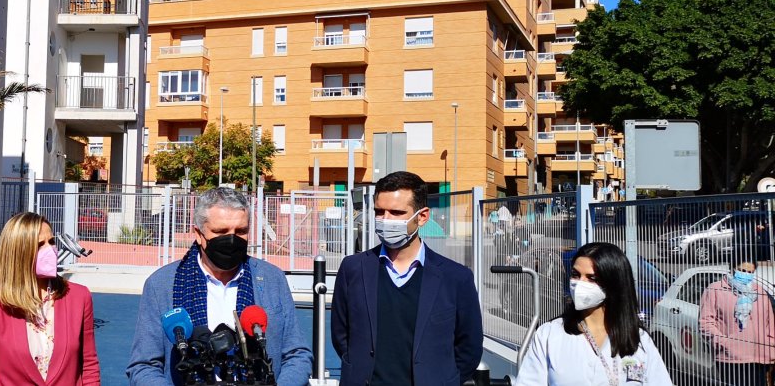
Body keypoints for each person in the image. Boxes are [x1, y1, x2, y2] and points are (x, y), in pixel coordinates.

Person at [127, 187, 311, 385]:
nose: (231, 240)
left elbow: (297, 355)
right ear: (199, 234)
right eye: (221, 232)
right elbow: (143, 366)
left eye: (240, 231)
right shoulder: (161, 285)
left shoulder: (272, 279)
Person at [331, 171, 483, 386]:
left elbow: (469, 347)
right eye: (379, 211)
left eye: (396, 212)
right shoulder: (353, 269)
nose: (385, 220)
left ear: (422, 216)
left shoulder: (456, 278)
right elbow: (341, 335)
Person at [0, 212, 100, 385]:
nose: (51, 250)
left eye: (51, 242)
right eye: (40, 245)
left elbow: (89, 366)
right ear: (19, 253)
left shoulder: (79, 297)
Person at [517, 242, 673, 385]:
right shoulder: (549, 335)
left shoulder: (639, 340)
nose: (580, 284)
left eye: (591, 278)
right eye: (576, 275)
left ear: (613, 283)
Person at [698, 259, 775, 386]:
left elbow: (769, 322)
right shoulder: (715, 289)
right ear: (733, 269)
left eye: (750, 272)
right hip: (731, 358)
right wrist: (724, 343)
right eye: (742, 270)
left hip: (759, 357)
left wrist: (770, 342)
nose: (746, 274)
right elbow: (705, 322)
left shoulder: (760, 292)